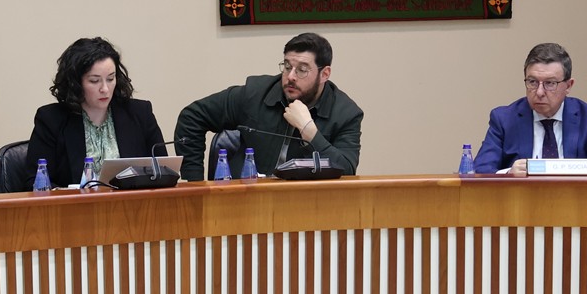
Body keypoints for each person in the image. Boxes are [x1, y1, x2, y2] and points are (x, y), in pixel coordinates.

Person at [172, 31, 362, 181]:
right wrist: (195, 182)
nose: (291, 77)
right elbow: (192, 117)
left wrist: (309, 132)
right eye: (287, 66)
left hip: (307, 205)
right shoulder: (255, 94)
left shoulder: (345, 113)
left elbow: (346, 171)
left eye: (302, 70)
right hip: (248, 201)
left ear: (325, 74)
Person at [24, 37, 166, 189]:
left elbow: (164, 172)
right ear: (75, 83)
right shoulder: (51, 120)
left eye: (110, 79)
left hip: (133, 203)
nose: (105, 89)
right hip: (76, 204)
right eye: (94, 81)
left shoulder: (140, 114)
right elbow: (34, 182)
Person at [474, 42, 587, 174]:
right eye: (532, 82)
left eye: (550, 83)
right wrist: (508, 174)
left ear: (568, 86)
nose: (540, 92)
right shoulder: (504, 119)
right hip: (520, 193)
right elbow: (480, 171)